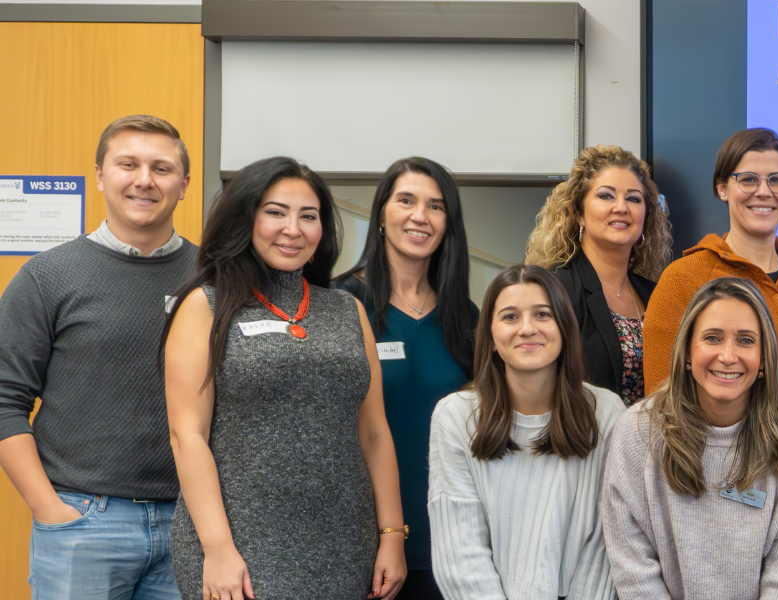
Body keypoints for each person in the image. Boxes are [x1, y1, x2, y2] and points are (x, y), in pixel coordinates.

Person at [162, 156, 408, 599]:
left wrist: (391, 535)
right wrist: (217, 549)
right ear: (246, 217)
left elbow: (373, 432)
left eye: (308, 216)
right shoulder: (205, 305)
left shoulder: (347, 310)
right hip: (239, 544)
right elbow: (188, 435)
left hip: (345, 541)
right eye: (275, 212)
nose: (293, 228)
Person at [0, 115, 198, 600]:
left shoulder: (214, 276)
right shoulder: (47, 276)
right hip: (83, 522)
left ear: (185, 184)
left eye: (161, 167)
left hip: (192, 524)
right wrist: (48, 508)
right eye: (127, 164)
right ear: (100, 175)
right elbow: (5, 399)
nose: (144, 180)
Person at [641, 127, 778, 596]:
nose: (763, 192)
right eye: (747, 179)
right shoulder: (685, 277)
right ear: (722, 187)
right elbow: (660, 397)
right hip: (714, 486)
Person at [605, 277, 778, 599]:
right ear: (687, 351)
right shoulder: (637, 432)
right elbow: (632, 563)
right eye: (712, 338)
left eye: (746, 341)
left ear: (764, 358)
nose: (727, 355)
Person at [428, 264, 621, 600]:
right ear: (489, 334)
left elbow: (607, 542)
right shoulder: (456, 416)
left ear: (564, 327)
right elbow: (460, 552)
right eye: (510, 317)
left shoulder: (606, 413)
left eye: (543, 314)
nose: (527, 329)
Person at [334, 156, 480, 599]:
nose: (420, 216)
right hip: (363, 536)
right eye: (406, 201)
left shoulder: (465, 316)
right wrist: (388, 534)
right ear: (382, 213)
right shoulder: (341, 305)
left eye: (436, 206)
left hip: (449, 537)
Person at [527, 145, 673, 406]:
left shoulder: (659, 293)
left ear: (647, 215)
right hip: (583, 443)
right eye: (606, 196)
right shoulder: (552, 290)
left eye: (634, 198)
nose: (621, 207)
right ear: (579, 214)